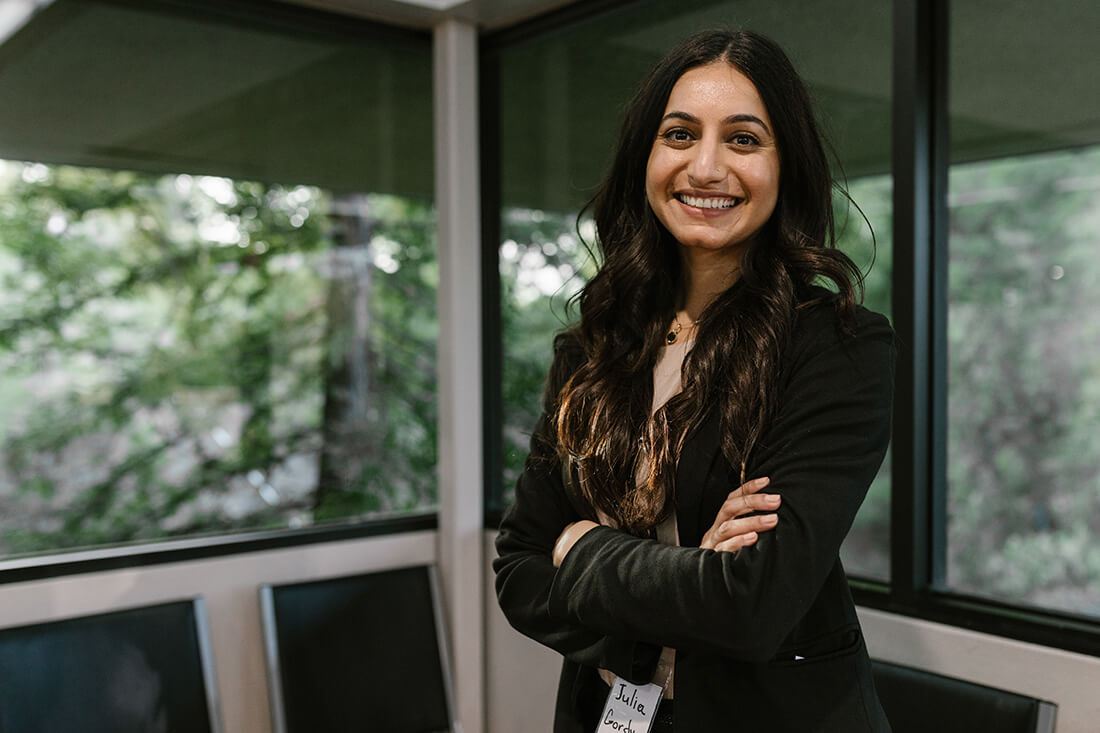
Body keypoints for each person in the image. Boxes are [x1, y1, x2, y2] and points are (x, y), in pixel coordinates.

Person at [494, 28, 895, 733]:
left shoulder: (836, 346)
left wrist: (580, 547)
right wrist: (680, 585)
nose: (705, 166)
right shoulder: (593, 347)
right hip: (616, 713)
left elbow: (751, 603)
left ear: (786, 165)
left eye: (743, 139)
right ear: (645, 158)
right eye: (679, 135)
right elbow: (521, 567)